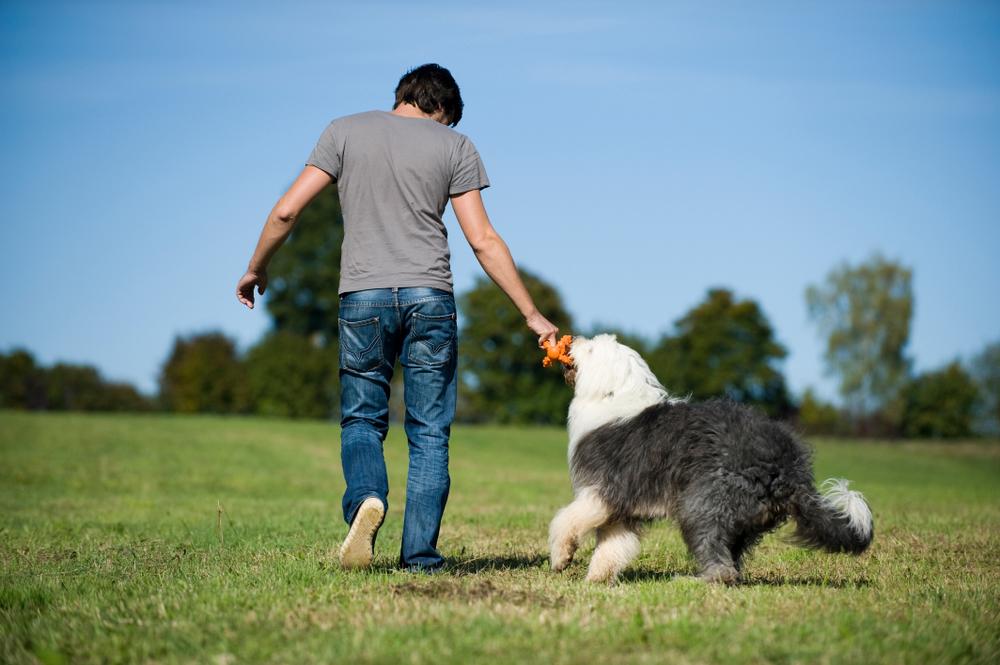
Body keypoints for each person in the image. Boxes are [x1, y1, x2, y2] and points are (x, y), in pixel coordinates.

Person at [236, 64, 559, 573]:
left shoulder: (342, 131)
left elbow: (285, 212)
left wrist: (256, 268)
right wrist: (532, 314)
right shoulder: (455, 146)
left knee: (363, 417)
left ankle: (367, 495)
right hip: (431, 297)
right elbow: (483, 240)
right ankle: (421, 558)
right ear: (442, 109)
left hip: (362, 297)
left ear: (404, 95)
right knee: (429, 432)